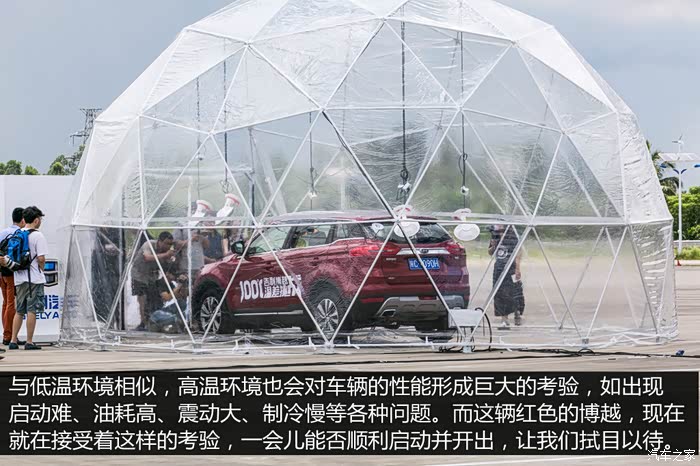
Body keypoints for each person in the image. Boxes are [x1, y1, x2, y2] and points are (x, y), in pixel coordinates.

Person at [9, 206, 48, 350]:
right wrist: (41, 269)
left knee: (19, 310)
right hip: (34, 279)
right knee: (32, 310)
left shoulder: (18, 233)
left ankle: (13, 340)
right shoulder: (38, 236)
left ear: (24, 219)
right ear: (36, 220)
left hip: (19, 278)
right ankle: (29, 341)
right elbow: (41, 258)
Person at [130, 231, 176, 331]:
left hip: (152, 276)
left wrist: (170, 260)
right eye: (166, 243)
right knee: (142, 298)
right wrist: (165, 255)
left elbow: (166, 266)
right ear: (159, 241)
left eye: (170, 244)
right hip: (139, 274)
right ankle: (143, 323)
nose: (168, 246)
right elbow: (147, 257)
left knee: (152, 298)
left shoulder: (166, 252)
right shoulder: (149, 244)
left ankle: (153, 321)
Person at [488, 225, 525, 329]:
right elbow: (490, 252)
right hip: (499, 268)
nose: (499, 232)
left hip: (511, 268)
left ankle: (517, 312)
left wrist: (517, 268)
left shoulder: (512, 237)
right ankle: (504, 319)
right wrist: (493, 246)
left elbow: (518, 253)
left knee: (514, 291)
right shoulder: (495, 237)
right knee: (499, 293)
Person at [0, 208, 25, 346]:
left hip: (1, 273)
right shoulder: (19, 233)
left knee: (6, 303)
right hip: (11, 273)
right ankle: (9, 336)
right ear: (23, 219)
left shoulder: (4, 232)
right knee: (12, 304)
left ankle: (7, 334)